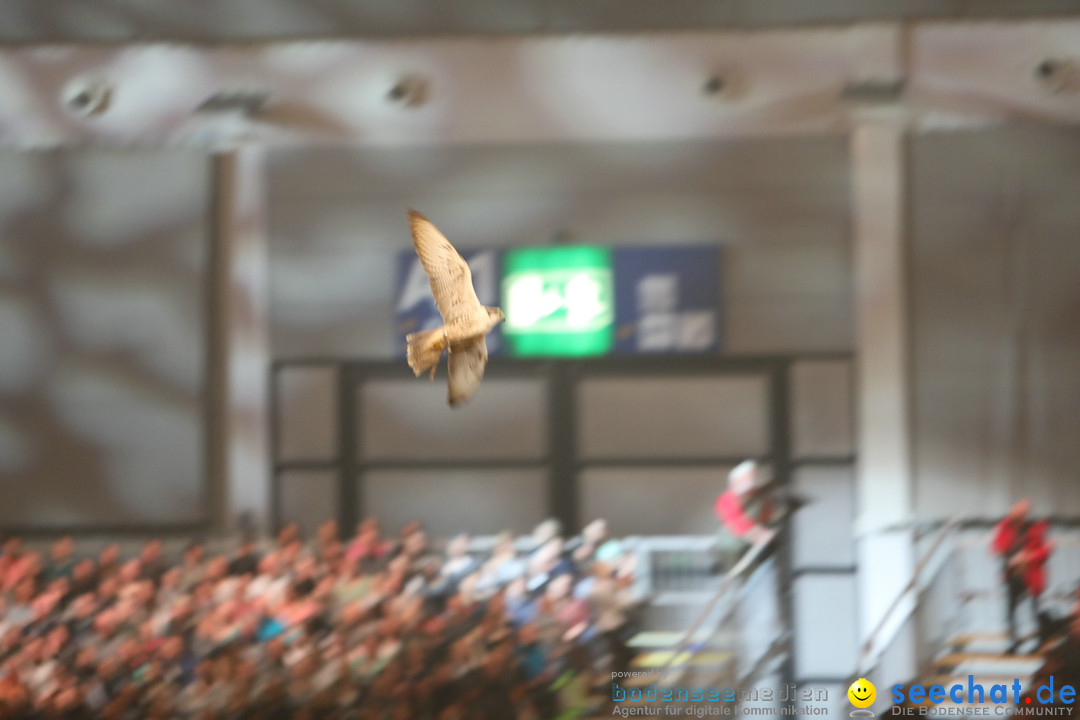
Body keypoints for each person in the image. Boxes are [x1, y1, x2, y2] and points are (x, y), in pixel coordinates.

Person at [992, 500, 1052, 653]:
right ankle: (1014, 642)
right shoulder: (1005, 527)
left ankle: (1040, 641)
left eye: (1019, 513)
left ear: (1024, 515)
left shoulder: (1035, 529)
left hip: (1031, 576)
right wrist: (1010, 556)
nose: (1015, 516)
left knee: (1034, 609)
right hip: (1012, 575)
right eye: (1014, 513)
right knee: (1010, 611)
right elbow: (996, 546)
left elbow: (1044, 552)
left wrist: (1028, 557)